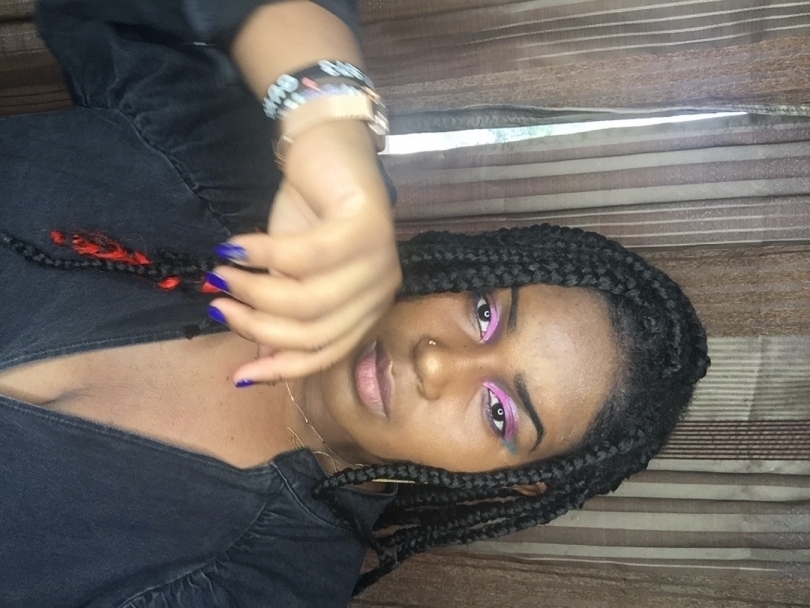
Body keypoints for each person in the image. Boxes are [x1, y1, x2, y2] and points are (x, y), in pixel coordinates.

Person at [0, 0, 710, 606]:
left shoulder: (266, 582)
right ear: (474, 267)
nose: (437, 363)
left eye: (499, 411)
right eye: (484, 314)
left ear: (510, 484)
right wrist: (326, 125)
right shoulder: (247, 174)